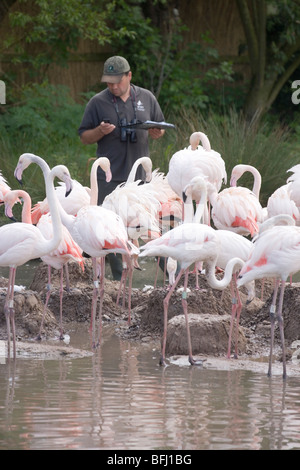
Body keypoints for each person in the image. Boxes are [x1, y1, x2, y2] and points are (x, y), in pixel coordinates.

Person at [78, 55, 165, 280]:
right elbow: (84, 137)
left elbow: (160, 126)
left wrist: (157, 132)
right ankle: (117, 279)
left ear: (129, 76)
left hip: (139, 181)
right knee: (107, 230)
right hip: (109, 179)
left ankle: (171, 275)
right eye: (109, 82)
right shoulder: (98, 102)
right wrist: (99, 131)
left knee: (150, 229)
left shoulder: (146, 97)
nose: (113, 86)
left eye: (118, 81)